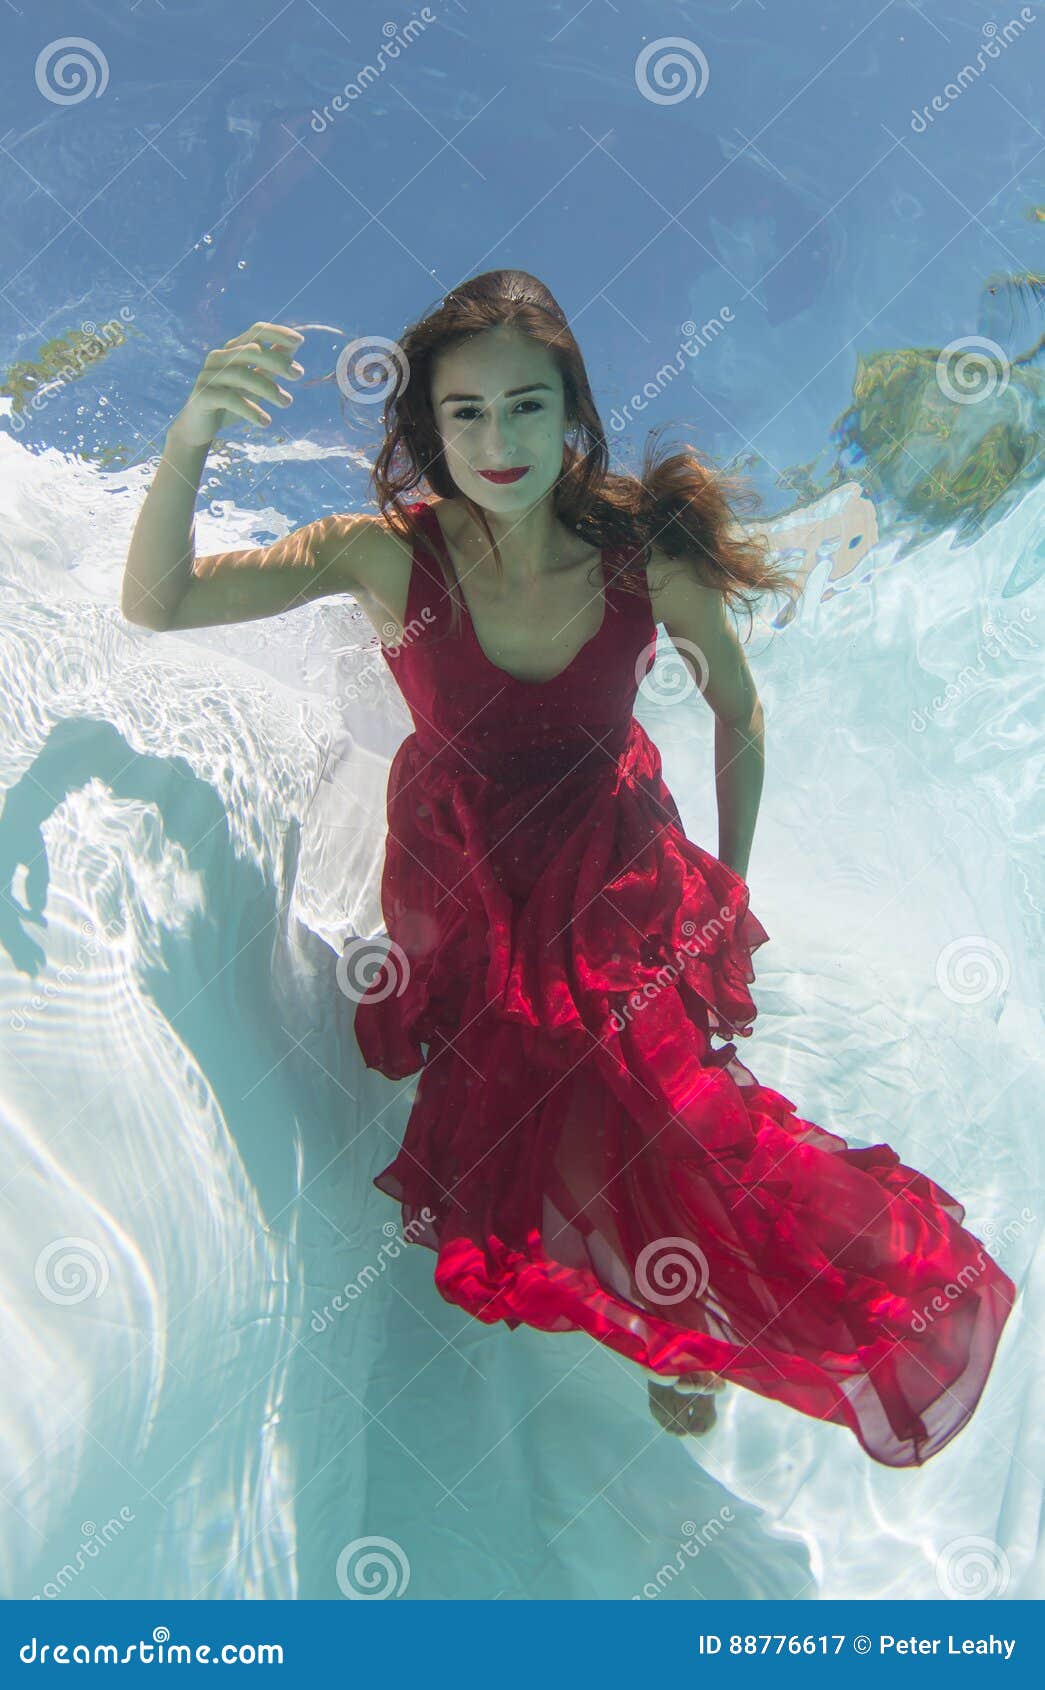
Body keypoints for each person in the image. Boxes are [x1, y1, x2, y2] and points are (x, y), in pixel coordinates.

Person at [122, 269, 1016, 1468]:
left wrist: (728, 888)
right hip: (462, 871)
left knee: (665, 1105)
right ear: (431, 431)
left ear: (574, 411)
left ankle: (743, 1317)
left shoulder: (644, 557)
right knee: (533, 1096)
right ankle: (658, 1303)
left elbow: (739, 710)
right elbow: (159, 600)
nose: (499, 441)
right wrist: (189, 439)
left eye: (526, 406)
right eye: (468, 414)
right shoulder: (384, 559)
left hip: (611, 856)